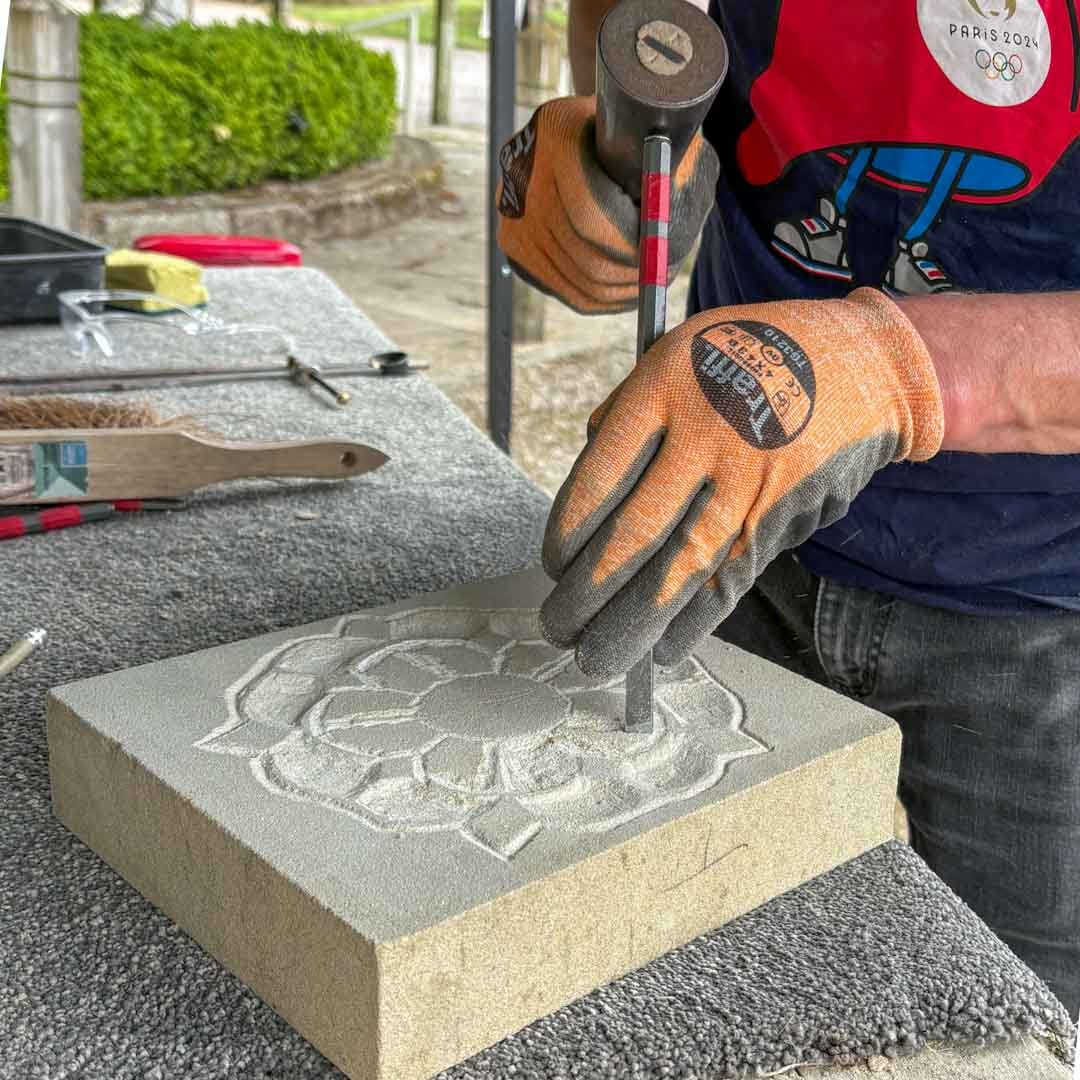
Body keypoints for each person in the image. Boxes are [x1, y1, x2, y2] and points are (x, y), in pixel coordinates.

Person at [496, 0, 1080, 1016]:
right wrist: (615, 126)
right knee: (708, 978)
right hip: (744, 531)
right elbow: (642, 20)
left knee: (1022, 1018)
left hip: (1040, 600)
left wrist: (898, 370)